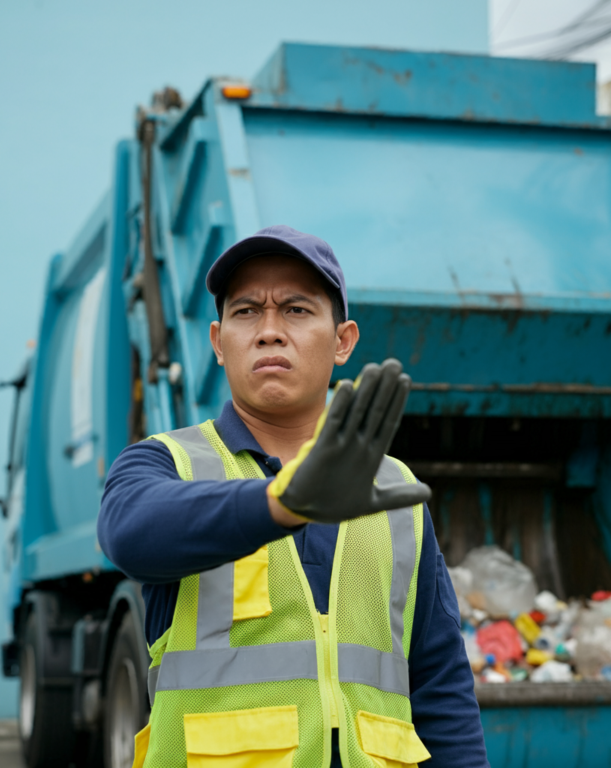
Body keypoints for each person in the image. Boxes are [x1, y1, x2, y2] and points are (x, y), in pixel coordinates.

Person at [99, 225, 489, 768]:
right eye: (246, 312)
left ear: (343, 341)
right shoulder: (167, 463)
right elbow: (130, 535)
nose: (269, 331)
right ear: (217, 342)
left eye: (297, 310)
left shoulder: (396, 492)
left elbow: (441, 686)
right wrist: (281, 503)